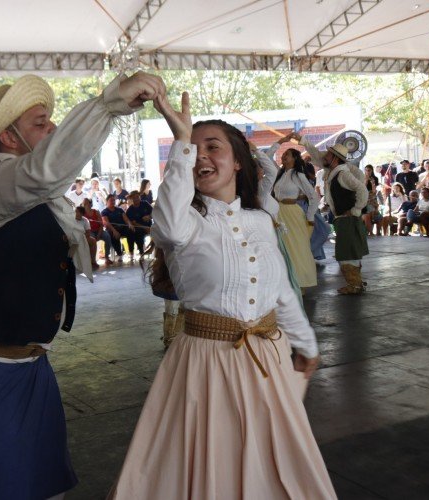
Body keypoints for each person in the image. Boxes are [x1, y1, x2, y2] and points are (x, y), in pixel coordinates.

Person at [0, 71, 164, 500]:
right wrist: (108, 104)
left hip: (30, 366)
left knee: (45, 487)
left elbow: (50, 175)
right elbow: (45, 170)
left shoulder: (33, 191)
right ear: (8, 137)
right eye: (41, 122)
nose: (52, 127)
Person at [109, 92, 334, 499]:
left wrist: (305, 342)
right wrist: (181, 144)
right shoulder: (187, 222)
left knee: (273, 465)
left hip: (267, 356)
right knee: (213, 463)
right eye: (193, 150)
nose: (201, 156)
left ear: (238, 162)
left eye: (213, 147)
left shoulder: (261, 220)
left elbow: (281, 291)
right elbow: (170, 228)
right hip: (205, 363)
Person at [297, 134, 368, 295]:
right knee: (350, 251)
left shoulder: (342, 174)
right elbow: (317, 155)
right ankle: (355, 283)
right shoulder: (335, 170)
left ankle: (354, 284)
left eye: (329, 154)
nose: (325, 156)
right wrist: (305, 142)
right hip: (344, 218)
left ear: (335, 158)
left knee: (346, 253)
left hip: (347, 218)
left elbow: (362, 189)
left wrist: (356, 209)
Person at [269, 136, 318, 291]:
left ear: (295, 158)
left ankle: (300, 282)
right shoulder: (279, 173)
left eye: (287, 154)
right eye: (283, 154)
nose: (284, 156)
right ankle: (285, 283)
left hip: (293, 214)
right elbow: (267, 155)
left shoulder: (298, 175)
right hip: (277, 213)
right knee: (280, 247)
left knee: (296, 247)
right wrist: (281, 141)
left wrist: (310, 217)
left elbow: (313, 196)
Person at [101, 194, 134, 262]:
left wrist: (130, 224)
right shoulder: (104, 211)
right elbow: (107, 223)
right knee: (112, 235)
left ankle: (131, 253)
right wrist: (114, 231)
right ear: (107, 201)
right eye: (111, 200)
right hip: (112, 228)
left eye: (114, 200)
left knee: (131, 231)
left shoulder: (119, 210)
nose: (113, 202)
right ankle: (120, 254)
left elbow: (126, 219)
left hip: (122, 227)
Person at [82, 197, 114, 265]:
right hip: (89, 232)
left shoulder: (96, 212)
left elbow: (101, 224)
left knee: (107, 236)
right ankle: (93, 260)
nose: (84, 205)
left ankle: (107, 257)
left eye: (86, 203)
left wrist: (99, 233)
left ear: (90, 204)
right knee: (92, 240)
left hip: (98, 230)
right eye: (83, 204)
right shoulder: (83, 214)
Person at [125, 191, 152, 259]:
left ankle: (141, 252)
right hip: (138, 226)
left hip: (149, 226)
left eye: (137, 197)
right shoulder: (130, 209)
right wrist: (145, 227)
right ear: (131, 199)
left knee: (138, 232)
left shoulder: (145, 203)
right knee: (131, 232)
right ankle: (132, 252)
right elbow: (133, 222)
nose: (136, 199)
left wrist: (149, 216)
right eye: (134, 198)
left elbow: (154, 212)